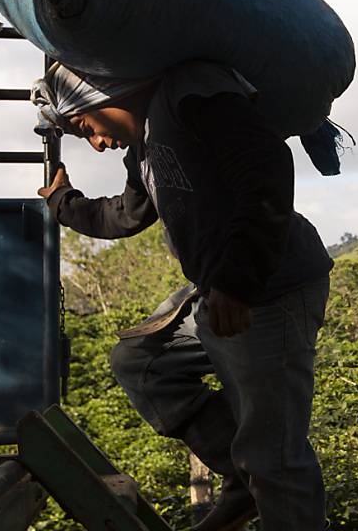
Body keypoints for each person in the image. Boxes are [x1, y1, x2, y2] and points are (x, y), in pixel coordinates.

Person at [33, 60, 334, 531]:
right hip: (221, 289)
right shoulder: (142, 151)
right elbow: (126, 215)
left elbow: (266, 166)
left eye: (85, 127)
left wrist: (238, 281)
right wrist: (63, 203)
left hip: (271, 289)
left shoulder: (189, 94)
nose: (97, 142)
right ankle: (242, 481)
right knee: (140, 361)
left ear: (97, 96)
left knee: (274, 455)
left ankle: (258, 480)